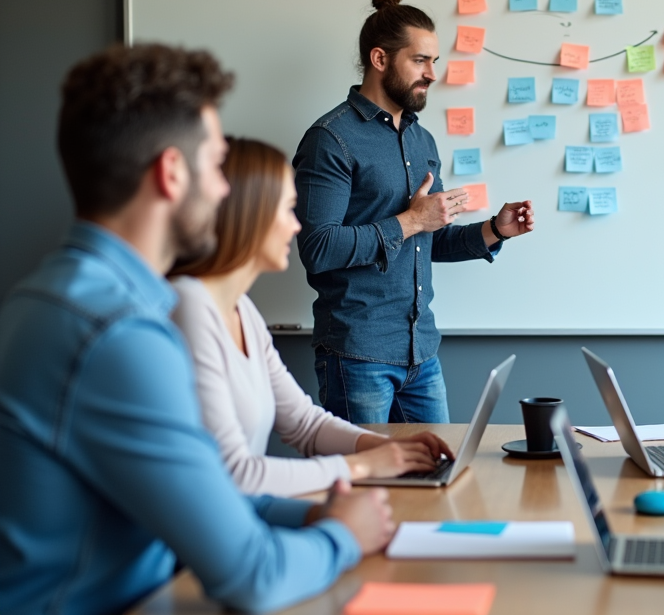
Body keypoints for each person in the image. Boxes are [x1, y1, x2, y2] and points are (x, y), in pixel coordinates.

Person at [0, 44, 394, 615]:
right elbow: (252, 578)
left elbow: (208, 498)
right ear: (172, 172)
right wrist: (342, 536)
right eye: (215, 166)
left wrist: (315, 514)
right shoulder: (119, 335)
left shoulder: (53, 298)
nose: (223, 190)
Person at [294, 0, 535, 424]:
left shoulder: (421, 140)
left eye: (435, 62)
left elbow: (430, 239)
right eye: (420, 61)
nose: (432, 74)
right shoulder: (331, 139)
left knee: (438, 482)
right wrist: (408, 221)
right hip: (357, 354)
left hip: (422, 354)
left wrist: (493, 230)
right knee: (366, 484)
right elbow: (319, 248)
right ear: (380, 59)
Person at [171, 137, 455, 497]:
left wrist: (384, 448)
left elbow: (305, 425)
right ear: (248, 212)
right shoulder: (188, 307)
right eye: (287, 209)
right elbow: (234, 477)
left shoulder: (242, 311)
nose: (295, 227)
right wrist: (364, 465)